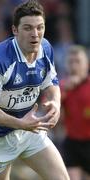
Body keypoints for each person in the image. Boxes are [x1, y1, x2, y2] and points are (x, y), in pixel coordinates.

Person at [0, 0, 69, 179]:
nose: (35, 34)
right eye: (28, 28)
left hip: (30, 130)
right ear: (15, 30)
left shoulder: (46, 48)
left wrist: (55, 103)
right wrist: (20, 123)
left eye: (40, 27)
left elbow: (51, 83)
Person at [60, 45, 90, 180]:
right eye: (71, 62)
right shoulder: (60, 87)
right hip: (72, 142)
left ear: (87, 64)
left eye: (78, 61)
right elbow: (51, 114)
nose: (74, 65)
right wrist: (65, 91)